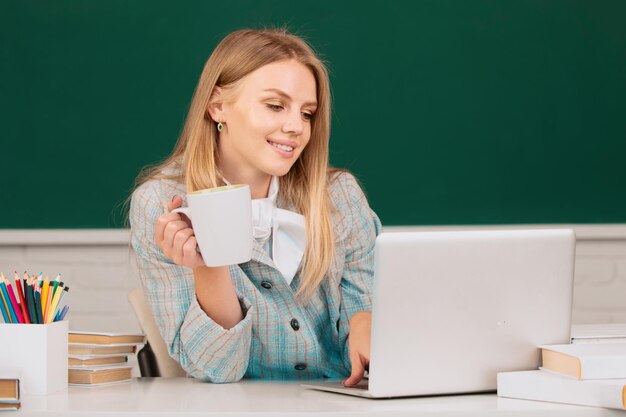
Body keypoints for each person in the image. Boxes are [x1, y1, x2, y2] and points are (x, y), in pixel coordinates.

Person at [129, 28, 381, 385]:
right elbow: (217, 369)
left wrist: (365, 320)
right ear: (218, 106)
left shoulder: (338, 196)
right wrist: (209, 266)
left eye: (307, 113)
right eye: (275, 106)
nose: (296, 127)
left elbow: (368, 319)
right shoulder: (161, 205)